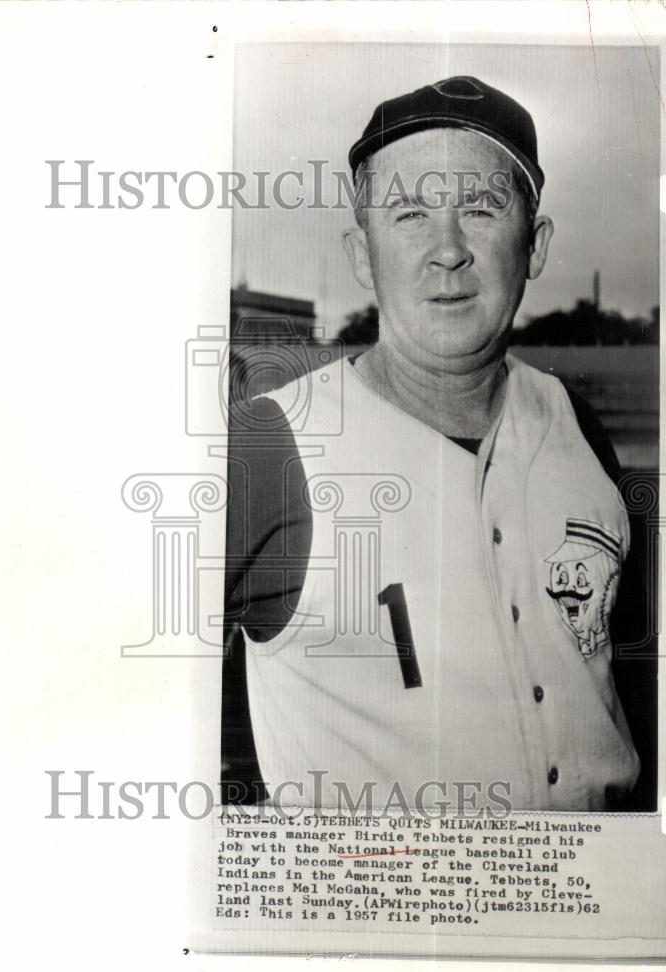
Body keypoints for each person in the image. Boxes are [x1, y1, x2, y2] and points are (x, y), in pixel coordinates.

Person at [223, 76, 648, 812]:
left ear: (535, 245)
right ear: (363, 253)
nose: (447, 251)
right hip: (386, 910)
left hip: (602, 901)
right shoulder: (269, 445)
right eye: (410, 214)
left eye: (481, 210)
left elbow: (621, 671)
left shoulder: (574, 422)